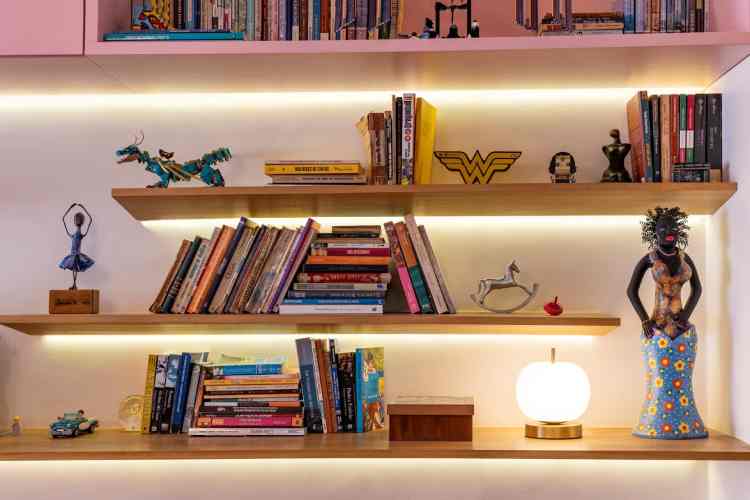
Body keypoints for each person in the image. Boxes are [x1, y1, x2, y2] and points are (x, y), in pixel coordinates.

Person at [627, 207, 707, 439]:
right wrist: (644, 319)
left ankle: (687, 425)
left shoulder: (685, 257)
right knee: (659, 380)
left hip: (683, 331)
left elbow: (697, 289)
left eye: (672, 227)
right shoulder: (649, 259)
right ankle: (653, 423)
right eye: (662, 227)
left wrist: (686, 315)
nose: (668, 231)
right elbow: (631, 291)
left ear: (678, 230)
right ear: (655, 232)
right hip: (657, 328)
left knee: (682, 383)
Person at [59, 204, 94, 290]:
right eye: (76, 220)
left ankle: (74, 284)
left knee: (75, 270)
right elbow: (63, 219)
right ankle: (74, 284)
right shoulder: (74, 235)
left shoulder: (80, 235)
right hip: (73, 254)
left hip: (76, 254)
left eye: (78, 220)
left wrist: (83, 207)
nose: (77, 221)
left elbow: (90, 219)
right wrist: (70, 207)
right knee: (74, 270)